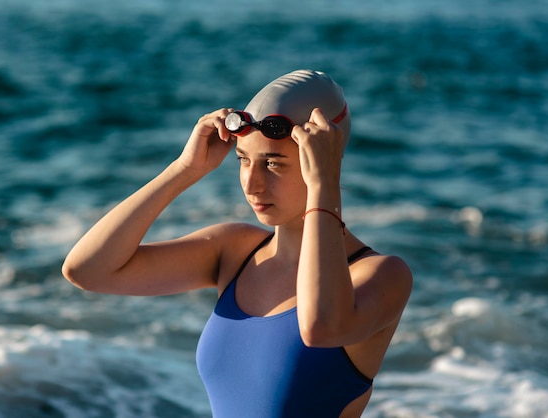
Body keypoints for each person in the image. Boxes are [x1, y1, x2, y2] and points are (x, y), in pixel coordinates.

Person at [62, 69, 412, 417]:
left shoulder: (381, 275)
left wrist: (325, 186)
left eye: (273, 163)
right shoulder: (235, 251)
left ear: (323, 161)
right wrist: (185, 169)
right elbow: (88, 271)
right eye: (243, 160)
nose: (252, 184)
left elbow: (321, 326)